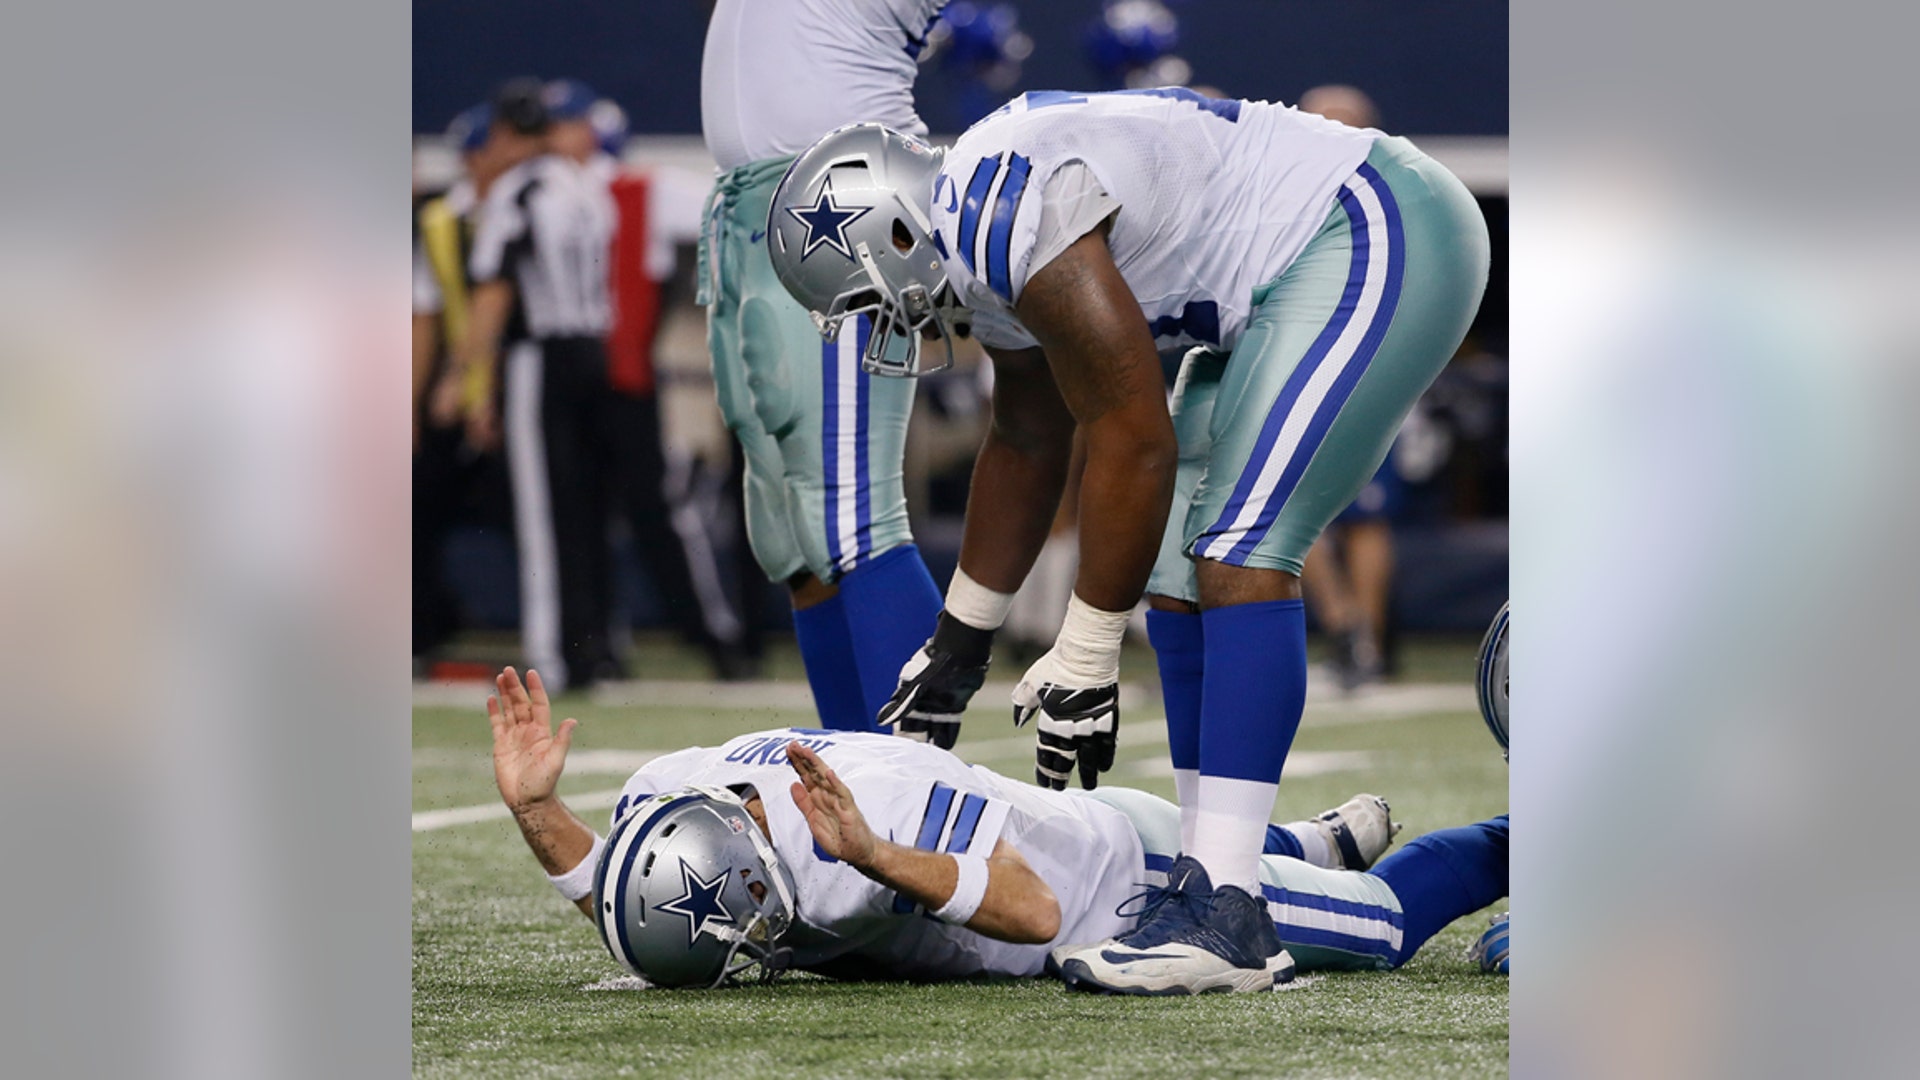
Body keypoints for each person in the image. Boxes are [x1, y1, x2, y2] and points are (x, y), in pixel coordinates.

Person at [764, 87, 1490, 992]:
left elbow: (1129, 432)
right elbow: (1029, 436)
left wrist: (1087, 648)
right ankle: (1209, 878)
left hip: (1371, 226)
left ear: (901, 235)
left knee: (1239, 547)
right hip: (1278, 280)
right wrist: (958, 643)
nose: (884, 318)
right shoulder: (978, 230)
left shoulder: (1002, 215)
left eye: (871, 291)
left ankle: (1230, 917)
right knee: (1180, 566)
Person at [486, 665, 1505, 991]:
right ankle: (1309, 840)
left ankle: (1523, 839)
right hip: (1086, 839)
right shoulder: (669, 797)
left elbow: (1036, 907)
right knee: (1284, 856)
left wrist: (880, 860)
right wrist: (540, 812)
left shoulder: (874, 801)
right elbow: (634, 901)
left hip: (1122, 881)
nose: (763, 949)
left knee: (1381, 928)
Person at [697, 0, 959, 730]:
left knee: (854, 514)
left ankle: (915, 788)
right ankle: (854, 777)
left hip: (841, 193)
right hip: (746, 204)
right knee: (791, 532)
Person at [542, 77, 759, 679]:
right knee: (583, 515)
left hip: (627, 375)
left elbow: (733, 210)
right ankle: (599, 645)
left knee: (655, 514)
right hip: (574, 375)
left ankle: (714, 638)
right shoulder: (536, 190)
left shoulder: (643, 188)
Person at [456, 79, 618, 693]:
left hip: (541, 359)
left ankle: (553, 654)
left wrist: (469, 378)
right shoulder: (584, 185)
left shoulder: (518, 191)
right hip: (589, 354)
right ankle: (597, 645)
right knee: (585, 509)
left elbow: (493, 290)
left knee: (544, 516)